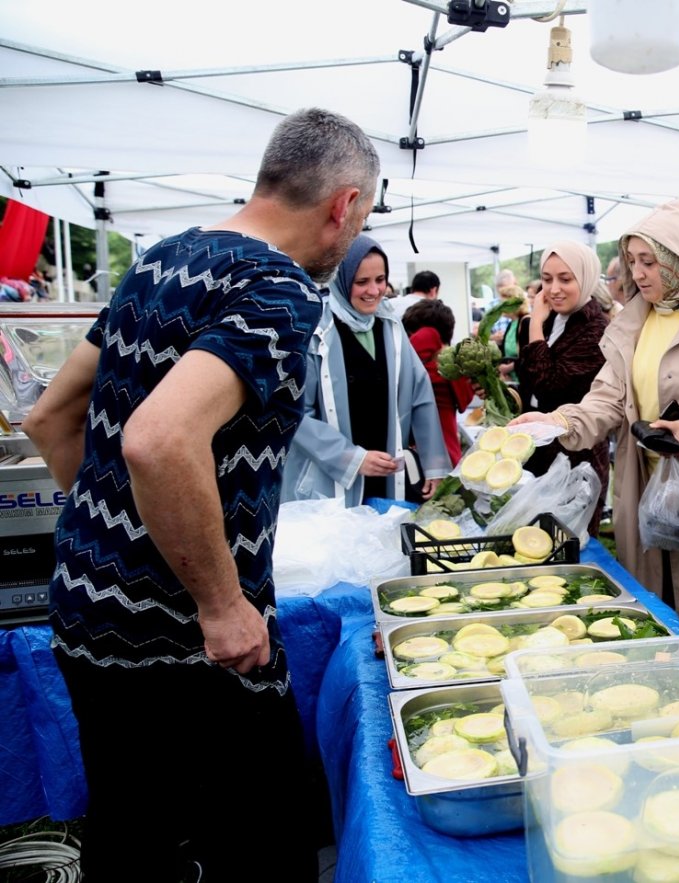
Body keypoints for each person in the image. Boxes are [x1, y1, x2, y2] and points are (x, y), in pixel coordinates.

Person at [20, 107, 379, 882]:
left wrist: (114, 539)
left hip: (88, 613)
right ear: (342, 204)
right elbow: (158, 439)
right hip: (190, 641)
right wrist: (218, 602)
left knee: (129, 834)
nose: (353, 239)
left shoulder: (160, 259)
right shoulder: (279, 289)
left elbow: (51, 417)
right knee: (268, 844)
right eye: (363, 218)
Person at [511, 199, 679, 629]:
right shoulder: (635, 323)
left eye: (649, 262)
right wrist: (558, 422)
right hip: (645, 491)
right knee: (657, 617)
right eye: (631, 261)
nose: (636, 273)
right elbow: (607, 400)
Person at [282, 234, 452, 506]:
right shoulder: (314, 332)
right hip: (329, 482)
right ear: (342, 279)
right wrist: (350, 458)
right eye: (361, 282)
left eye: (380, 280)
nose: (373, 291)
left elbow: (420, 394)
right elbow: (295, 412)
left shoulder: (391, 327)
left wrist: (434, 464)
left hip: (387, 475)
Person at [514, 240, 611, 535]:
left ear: (586, 277)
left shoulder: (596, 329)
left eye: (565, 279)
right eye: (547, 279)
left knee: (569, 542)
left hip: (577, 456)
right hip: (543, 453)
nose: (554, 289)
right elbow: (531, 379)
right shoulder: (556, 318)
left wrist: (534, 324)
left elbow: (550, 387)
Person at [404, 297, 475, 466]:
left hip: (424, 459)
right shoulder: (457, 369)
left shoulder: (426, 370)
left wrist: (426, 335)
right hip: (449, 452)